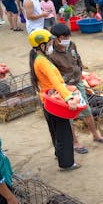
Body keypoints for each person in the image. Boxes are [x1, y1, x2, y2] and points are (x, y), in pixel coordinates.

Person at [48, 23, 103, 154]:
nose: (67, 39)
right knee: (68, 115)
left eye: (67, 36)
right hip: (65, 87)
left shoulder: (71, 45)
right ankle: (75, 141)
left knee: (86, 109)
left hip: (77, 81)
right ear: (56, 38)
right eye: (63, 37)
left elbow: (77, 57)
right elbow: (53, 74)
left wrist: (81, 69)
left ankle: (96, 135)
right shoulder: (51, 54)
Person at [29, 29, 81, 170]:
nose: (52, 45)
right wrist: (69, 98)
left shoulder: (39, 59)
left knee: (55, 130)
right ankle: (67, 163)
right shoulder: (43, 62)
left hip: (48, 100)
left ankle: (59, 155)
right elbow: (56, 83)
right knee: (64, 132)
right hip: (55, 100)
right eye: (50, 43)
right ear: (42, 45)